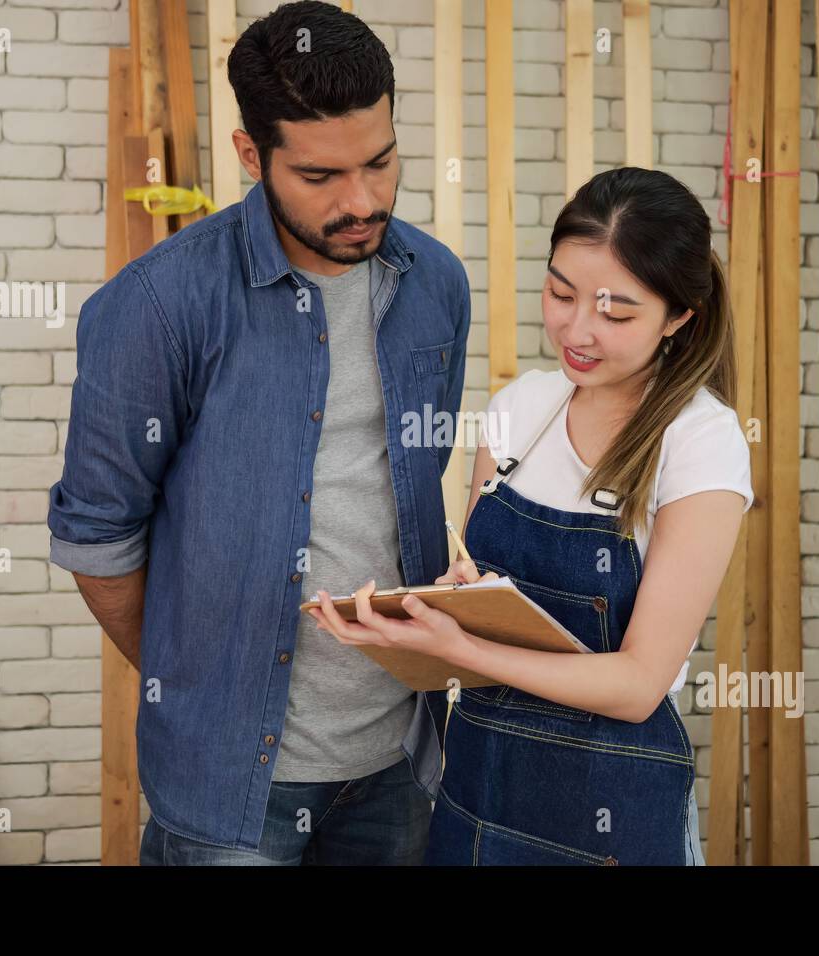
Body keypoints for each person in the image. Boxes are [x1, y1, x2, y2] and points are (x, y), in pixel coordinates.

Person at [48, 0, 469, 865]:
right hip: (231, 787)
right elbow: (97, 541)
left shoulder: (437, 286)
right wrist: (203, 683)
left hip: (401, 763)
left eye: (380, 162)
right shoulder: (160, 305)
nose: (362, 200)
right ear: (252, 155)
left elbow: (413, 479)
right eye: (321, 177)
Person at [311, 166, 753, 865]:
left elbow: (638, 685)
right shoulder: (523, 409)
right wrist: (420, 617)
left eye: (616, 312)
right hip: (479, 793)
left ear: (679, 317)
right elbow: (481, 594)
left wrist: (462, 648)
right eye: (561, 292)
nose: (577, 329)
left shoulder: (701, 439)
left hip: (611, 808)